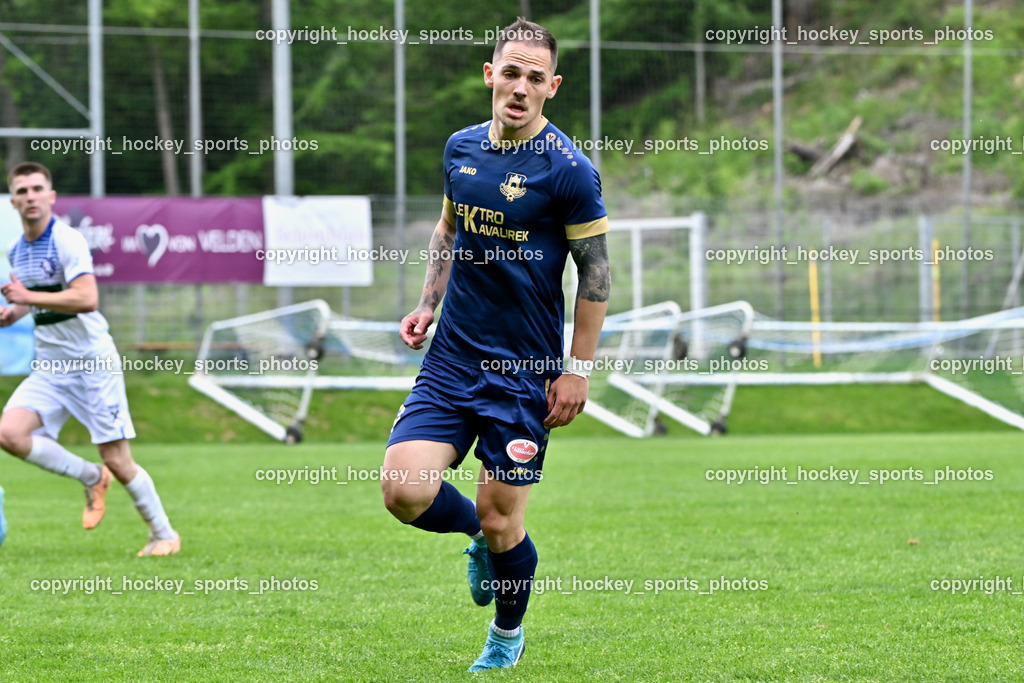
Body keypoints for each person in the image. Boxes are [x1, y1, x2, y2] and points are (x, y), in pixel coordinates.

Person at [381, 18, 610, 672]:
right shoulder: (460, 149)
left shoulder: (570, 172)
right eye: (510, 72)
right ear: (490, 74)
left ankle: (507, 635)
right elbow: (448, 231)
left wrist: (578, 370)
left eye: (535, 77)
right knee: (404, 489)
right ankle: (475, 538)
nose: (520, 87)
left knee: (503, 516)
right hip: (453, 358)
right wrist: (428, 303)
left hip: (525, 374)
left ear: (552, 87)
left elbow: (595, 273)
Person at [0, 161, 179, 556]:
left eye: (37, 188)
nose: (30, 196)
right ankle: (91, 477)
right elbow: (40, 301)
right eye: (22, 190)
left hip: (92, 363)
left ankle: (163, 534)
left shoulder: (66, 240)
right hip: (51, 365)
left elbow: (86, 298)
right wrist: (11, 314)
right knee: (9, 434)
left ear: (51, 196)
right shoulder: (17, 250)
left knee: (116, 456)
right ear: (13, 200)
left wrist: (28, 298)